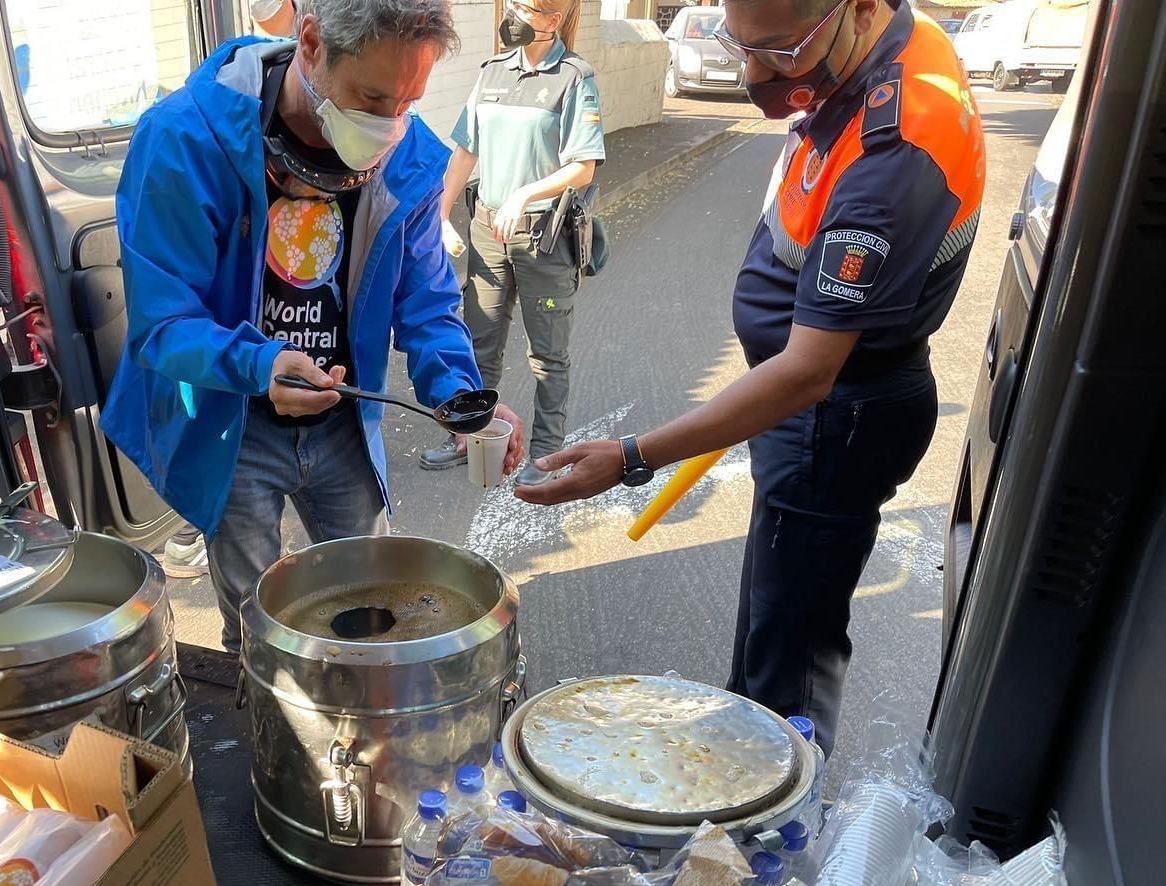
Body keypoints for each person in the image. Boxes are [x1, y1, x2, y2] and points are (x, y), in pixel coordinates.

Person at [516, 0, 985, 756]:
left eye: (783, 50)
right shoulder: (882, 48)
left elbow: (806, 373)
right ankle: (752, 759)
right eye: (743, 45)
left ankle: (768, 835)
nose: (756, 74)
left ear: (861, 10)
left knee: (787, 657)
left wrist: (631, 458)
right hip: (814, 405)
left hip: (832, 417)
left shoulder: (895, 151)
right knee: (778, 620)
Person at [102, 0, 524, 649]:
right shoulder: (187, 141)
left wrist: (461, 396)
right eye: (372, 96)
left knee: (368, 611)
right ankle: (269, 727)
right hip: (234, 425)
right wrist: (260, 365)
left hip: (346, 420)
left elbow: (428, 303)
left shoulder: (406, 156)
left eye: (408, 100)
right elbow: (164, 324)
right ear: (310, 42)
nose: (390, 126)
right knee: (257, 622)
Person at [418, 0, 605, 486]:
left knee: (547, 355)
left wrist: (525, 193)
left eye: (533, 8)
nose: (519, 15)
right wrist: (439, 214)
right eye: (517, 3)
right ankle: (469, 435)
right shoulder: (493, 73)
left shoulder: (573, 78)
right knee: (478, 341)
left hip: (544, 238)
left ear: (556, 17)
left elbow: (583, 165)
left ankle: (546, 455)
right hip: (487, 230)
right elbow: (465, 149)